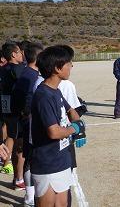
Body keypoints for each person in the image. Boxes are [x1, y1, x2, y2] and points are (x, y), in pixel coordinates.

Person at [30, 45, 86, 207]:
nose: (71, 66)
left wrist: (79, 124)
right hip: (47, 162)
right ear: (57, 68)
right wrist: (74, 129)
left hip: (61, 159)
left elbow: (71, 110)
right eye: (68, 63)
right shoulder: (43, 95)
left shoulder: (56, 91)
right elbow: (53, 132)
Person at [11, 42, 43, 199]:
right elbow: (20, 100)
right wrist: (26, 113)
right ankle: (30, 196)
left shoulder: (28, 73)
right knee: (30, 157)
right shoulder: (29, 76)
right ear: (38, 58)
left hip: (27, 121)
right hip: (29, 122)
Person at [0, 42, 25, 178]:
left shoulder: (3, 68)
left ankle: (6, 160)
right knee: (16, 139)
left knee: (8, 132)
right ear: (14, 55)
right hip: (15, 109)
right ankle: (8, 165)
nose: (22, 54)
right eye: (20, 52)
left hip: (5, 107)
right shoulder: (16, 69)